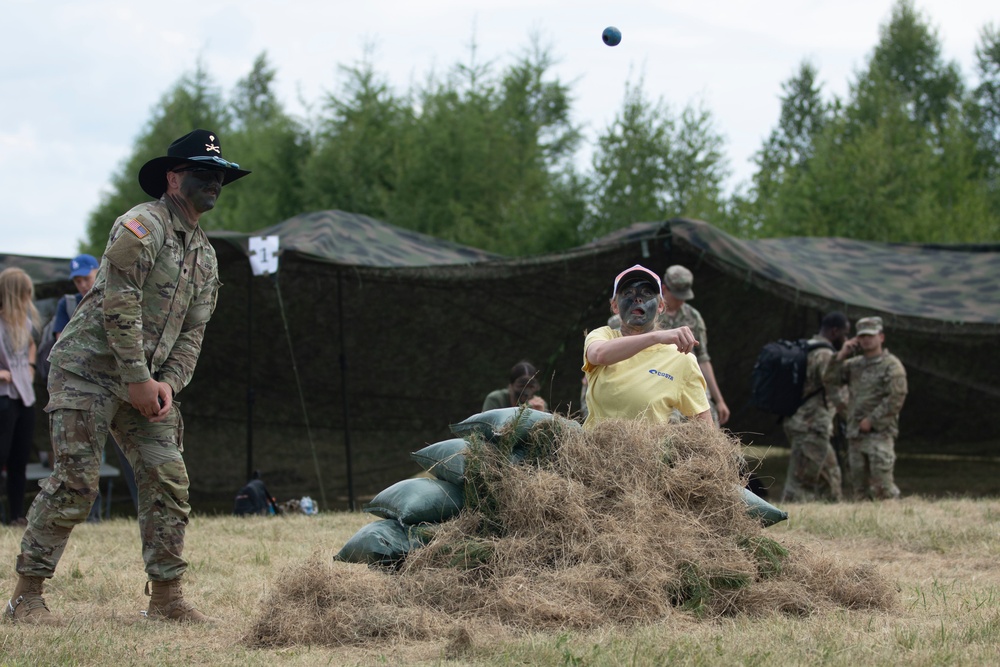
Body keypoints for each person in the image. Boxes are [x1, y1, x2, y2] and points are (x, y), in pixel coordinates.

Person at [6, 129, 250, 626]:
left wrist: (166, 386)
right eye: (203, 173)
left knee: (168, 480)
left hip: (149, 386)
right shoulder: (141, 226)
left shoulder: (205, 256)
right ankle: (26, 597)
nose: (214, 183)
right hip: (87, 374)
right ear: (172, 177)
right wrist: (138, 377)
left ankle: (166, 600)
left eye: (220, 176)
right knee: (76, 483)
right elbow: (120, 303)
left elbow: (193, 333)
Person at [53, 254, 140, 518]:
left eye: (86, 278)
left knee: (132, 452)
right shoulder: (68, 305)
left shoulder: (117, 297)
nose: (82, 284)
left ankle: (143, 511)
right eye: (77, 280)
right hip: (86, 388)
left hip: (120, 385)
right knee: (87, 457)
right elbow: (63, 344)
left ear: (98, 272)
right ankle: (91, 516)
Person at [583, 264, 711, 428]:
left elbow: (705, 429)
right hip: (596, 451)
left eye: (647, 293)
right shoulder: (602, 336)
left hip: (648, 453)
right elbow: (599, 355)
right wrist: (657, 336)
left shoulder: (682, 359)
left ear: (660, 306)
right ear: (614, 306)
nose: (637, 299)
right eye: (628, 293)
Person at [823, 316, 908, 500]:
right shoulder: (854, 365)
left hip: (880, 434)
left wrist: (872, 420)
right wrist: (841, 355)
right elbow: (829, 379)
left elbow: (896, 397)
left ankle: (894, 519)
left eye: (870, 335)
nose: (866, 339)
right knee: (859, 491)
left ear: (881, 337)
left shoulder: (891, 366)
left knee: (882, 488)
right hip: (855, 435)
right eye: (862, 336)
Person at [780, 312, 850, 503]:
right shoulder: (825, 354)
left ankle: (836, 511)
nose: (847, 339)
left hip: (800, 421)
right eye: (845, 334)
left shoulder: (806, 346)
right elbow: (833, 386)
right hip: (811, 425)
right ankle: (788, 516)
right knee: (800, 480)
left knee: (831, 472)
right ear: (835, 332)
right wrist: (851, 416)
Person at [657, 265, 730, 426]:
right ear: (664, 288)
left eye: (683, 297)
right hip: (660, 381)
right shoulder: (648, 314)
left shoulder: (693, 317)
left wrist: (720, 400)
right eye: (676, 296)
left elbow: (703, 358)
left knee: (708, 428)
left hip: (690, 381)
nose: (680, 301)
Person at [0, 268, 41, 527]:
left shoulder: (25, 322)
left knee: (20, 458)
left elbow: (32, 345)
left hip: (25, 397)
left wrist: (30, 367)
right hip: (3, 397)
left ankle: (16, 516)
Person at [482, 360, 548, 412]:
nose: (526, 391)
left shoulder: (540, 405)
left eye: (531, 387)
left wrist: (540, 415)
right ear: (510, 386)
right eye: (522, 386)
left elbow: (548, 428)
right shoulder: (496, 400)